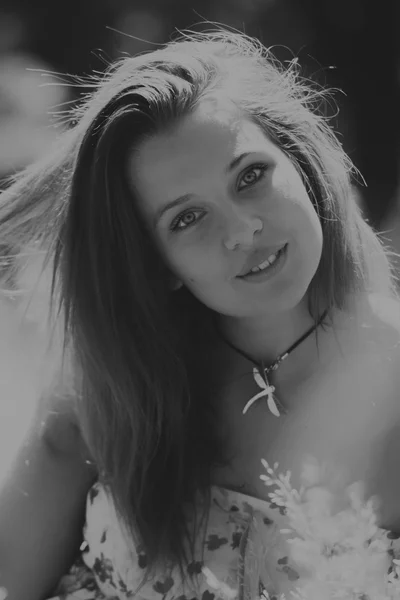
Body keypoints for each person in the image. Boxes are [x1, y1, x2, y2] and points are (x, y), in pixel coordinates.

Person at [0, 28, 400, 600]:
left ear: (301, 165)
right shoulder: (115, 381)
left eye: (251, 176)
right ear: (156, 262)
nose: (242, 231)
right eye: (187, 219)